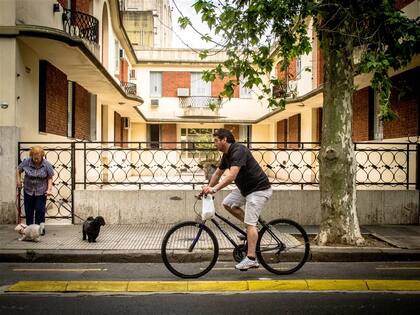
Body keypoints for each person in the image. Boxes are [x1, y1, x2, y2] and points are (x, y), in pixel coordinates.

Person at [202, 129, 272, 270]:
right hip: (245, 189)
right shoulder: (226, 155)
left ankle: (251, 258)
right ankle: (252, 230)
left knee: (250, 223)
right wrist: (207, 188)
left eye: (216, 140)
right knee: (228, 204)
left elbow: (231, 176)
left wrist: (215, 189)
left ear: (224, 140)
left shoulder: (238, 150)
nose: (214, 143)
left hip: (258, 189)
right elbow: (217, 174)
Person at [16, 146, 54, 235]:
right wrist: (18, 181)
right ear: (31, 155)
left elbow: (50, 177)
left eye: (38, 157)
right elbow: (18, 170)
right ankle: (29, 230)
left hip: (41, 191)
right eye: (34, 157)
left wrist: (49, 189)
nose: (36, 159)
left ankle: (40, 229)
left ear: (42, 156)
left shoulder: (47, 164)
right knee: (29, 210)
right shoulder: (26, 162)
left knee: (40, 210)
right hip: (28, 190)